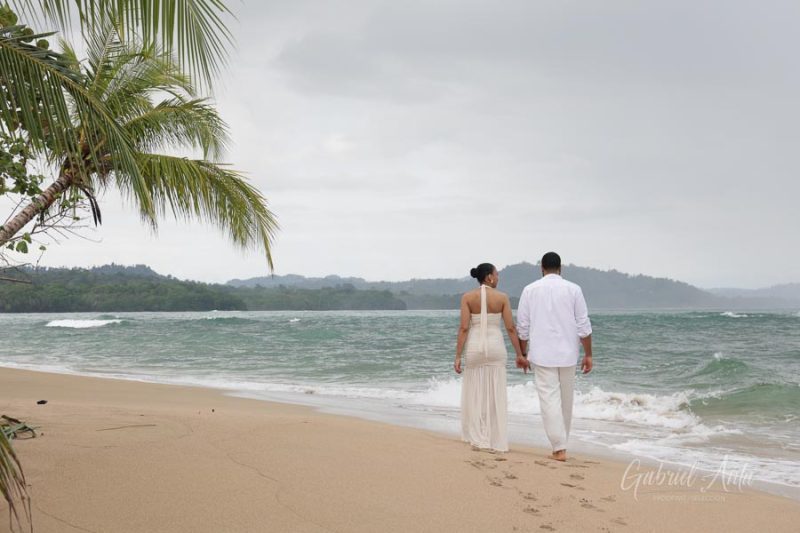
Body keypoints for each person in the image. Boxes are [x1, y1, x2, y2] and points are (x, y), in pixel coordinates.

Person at [516, 252, 593, 462]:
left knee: (549, 400)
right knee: (566, 401)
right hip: (568, 353)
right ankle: (561, 444)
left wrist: (523, 353)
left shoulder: (529, 290)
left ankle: (559, 447)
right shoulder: (574, 289)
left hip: (541, 353)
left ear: (541, 267)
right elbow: (583, 325)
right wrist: (589, 354)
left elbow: (522, 326)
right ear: (561, 268)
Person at [455, 263, 529, 452]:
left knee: (475, 391)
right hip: (496, 347)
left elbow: (464, 328)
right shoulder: (502, 297)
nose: (498, 277)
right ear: (489, 277)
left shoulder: (467, 298)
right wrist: (520, 354)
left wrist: (457, 356)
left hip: (474, 348)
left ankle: (477, 432)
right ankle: (494, 436)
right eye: (497, 274)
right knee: (495, 392)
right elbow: (511, 328)